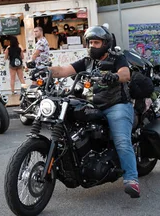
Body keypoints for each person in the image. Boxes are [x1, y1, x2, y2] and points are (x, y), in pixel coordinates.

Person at [46, 25, 139, 198]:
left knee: (121, 141)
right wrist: (46, 70)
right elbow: (64, 70)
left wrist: (115, 76)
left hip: (116, 105)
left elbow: (126, 74)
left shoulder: (117, 58)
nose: (92, 46)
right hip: (92, 104)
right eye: (90, 42)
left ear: (105, 44)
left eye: (96, 42)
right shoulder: (87, 62)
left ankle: (131, 179)